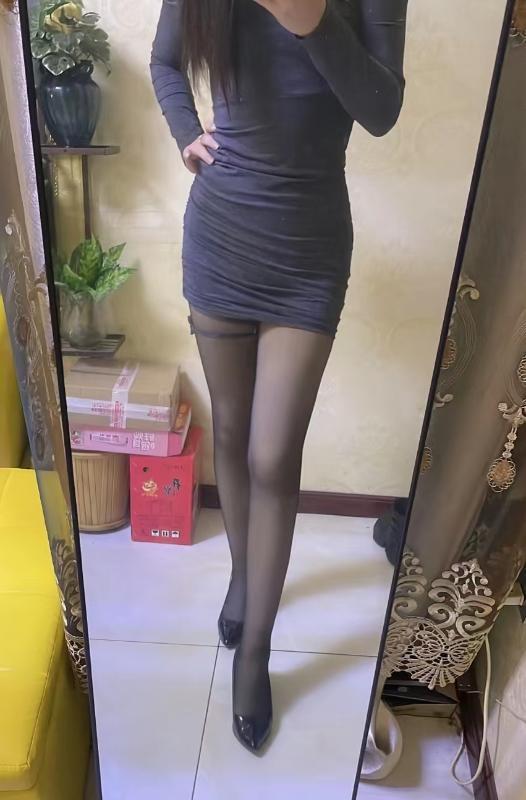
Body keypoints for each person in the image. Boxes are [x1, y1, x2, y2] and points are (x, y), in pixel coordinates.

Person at [150, 0, 407, 753]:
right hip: (221, 231)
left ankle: (255, 650)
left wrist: (312, 19)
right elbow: (165, 61)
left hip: (310, 252)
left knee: (272, 454)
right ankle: (243, 575)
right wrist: (184, 132)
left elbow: (383, 110)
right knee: (230, 432)